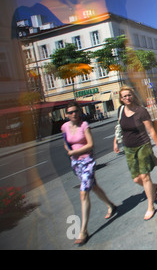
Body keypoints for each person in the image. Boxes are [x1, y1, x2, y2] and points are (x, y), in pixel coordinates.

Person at [61, 101, 116, 245]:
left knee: (83, 192)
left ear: (80, 112)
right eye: (71, 112)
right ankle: (111, 205)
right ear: (66, 114)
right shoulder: (64, 127)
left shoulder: (84, 126)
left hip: (87, 162)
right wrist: (69, 152)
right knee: (94, 187)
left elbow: (90, 144)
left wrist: (74, 151)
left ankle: (83, 231)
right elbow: (66, 143)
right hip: (76, 164)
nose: (74, 114)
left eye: (76, 111)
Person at [113, 86, 157, 220]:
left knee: (145, 176)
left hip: (143, 145)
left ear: (133, 96)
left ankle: (150, 206)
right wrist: (115, 142)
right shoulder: (121, 110)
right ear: (121, 99)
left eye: (129, 95)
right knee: (136, 179)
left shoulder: (141, 111)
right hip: (128, 148)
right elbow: (120, 127)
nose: (127, 98)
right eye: (124, 96)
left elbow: (151, 130)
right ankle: (152, 187)